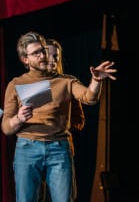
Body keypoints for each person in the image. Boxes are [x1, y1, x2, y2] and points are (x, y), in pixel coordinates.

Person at [1, 31, 116, 202]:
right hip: (27, 148)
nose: (42, 55)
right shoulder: (16, 84)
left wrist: (96, 81)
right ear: (25, 60)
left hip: (59, 148)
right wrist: (18, 118)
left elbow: (89, 98)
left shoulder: (65, 81)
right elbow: (6, 127)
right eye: (36, 53)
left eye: (42, 51)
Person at [37, 38, 86, 202]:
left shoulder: (68, 84)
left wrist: (59, 119)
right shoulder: (31, 85)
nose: (51, 60)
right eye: (47, 55)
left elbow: (79, 122)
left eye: (55, 56)